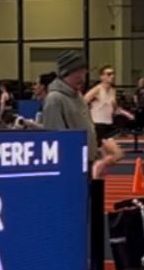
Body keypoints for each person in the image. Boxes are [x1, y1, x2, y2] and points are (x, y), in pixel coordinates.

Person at [41, 52, 125, 180]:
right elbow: (55, 139)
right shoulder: (55, 99)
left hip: (86, 162)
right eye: (80, 72)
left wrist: (95, 154)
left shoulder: (78, 96)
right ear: (68, 73)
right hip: (72, 167)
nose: (84, 77)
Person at [85, 64, 119, 144]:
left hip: (108, 123)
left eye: (113, 73)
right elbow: (83, 101)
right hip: (98, 124)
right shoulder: (97, 89)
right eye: (108, 74)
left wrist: (127, 114)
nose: (112, 76)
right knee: (114, 153)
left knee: (110, 153)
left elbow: (114, 108)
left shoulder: (112, 90)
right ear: (102, 77)